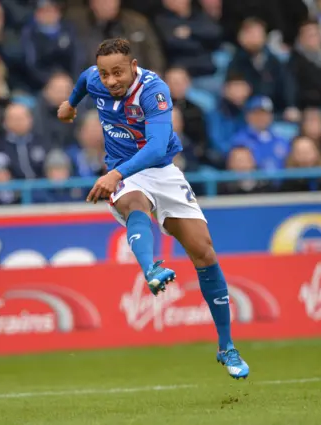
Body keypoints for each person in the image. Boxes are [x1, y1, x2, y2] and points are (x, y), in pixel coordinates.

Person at [57, 38, 249, 380]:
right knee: (135, 204)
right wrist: (70, 105)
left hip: (159, 170)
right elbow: (84, 83)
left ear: (133, 67)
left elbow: (159, 144)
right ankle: (152, 268)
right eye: (105, 74)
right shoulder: (93, 78)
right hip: (125, 172)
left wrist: (114, 174)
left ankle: (226, 346)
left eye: (118, 72)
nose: (110, 80)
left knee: (204, 252)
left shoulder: (153, 90)